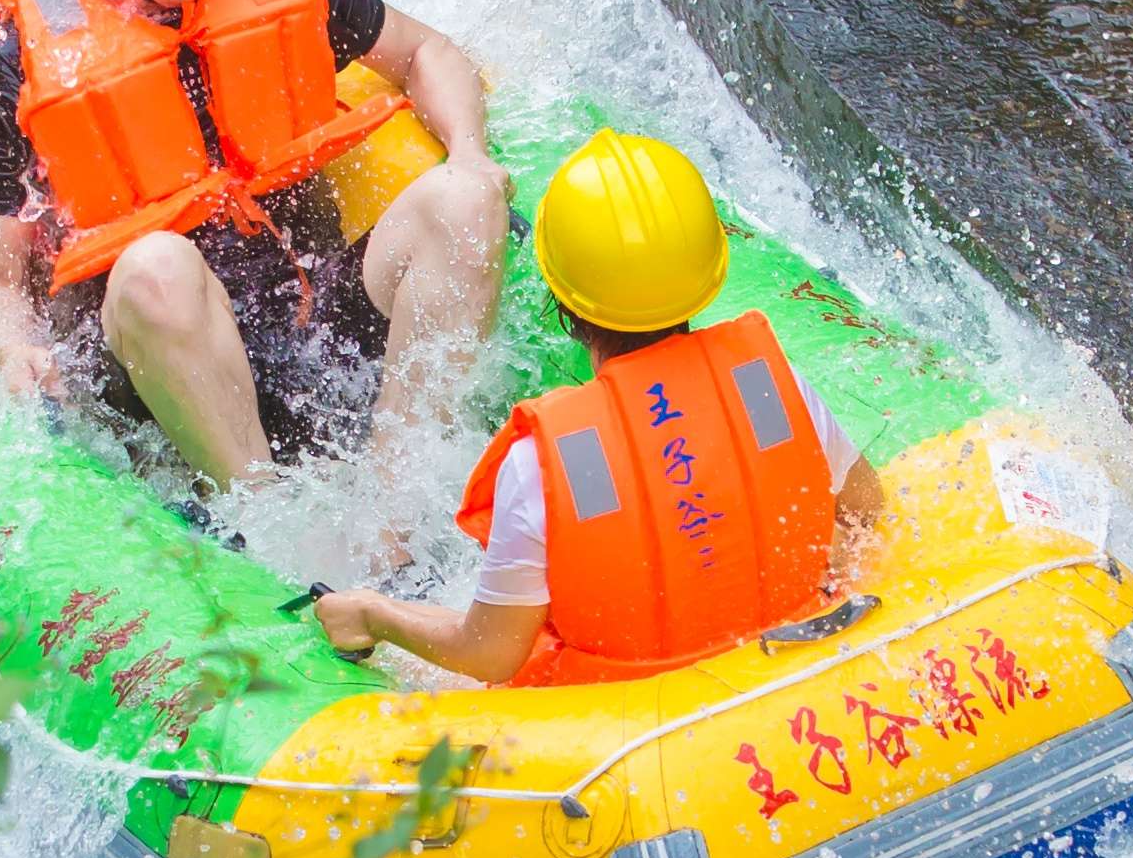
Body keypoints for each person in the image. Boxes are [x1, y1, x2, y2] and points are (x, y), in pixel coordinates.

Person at [0, 0, 507, 483]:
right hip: (166, 379)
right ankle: (269, 523)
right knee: (157, 263)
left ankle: (401, 512)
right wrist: (12, 347)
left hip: (315, 323)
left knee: (469, 197)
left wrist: (469, 151)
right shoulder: (16, 67)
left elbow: (426, 53)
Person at [314, 130, 883, 686]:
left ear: (562, 301)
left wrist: (373, 615)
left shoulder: (551, 458)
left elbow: (489, 655)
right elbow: (863, 511)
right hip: (787, 653)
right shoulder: (769, 385)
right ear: (709, 275)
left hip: (626, 703)